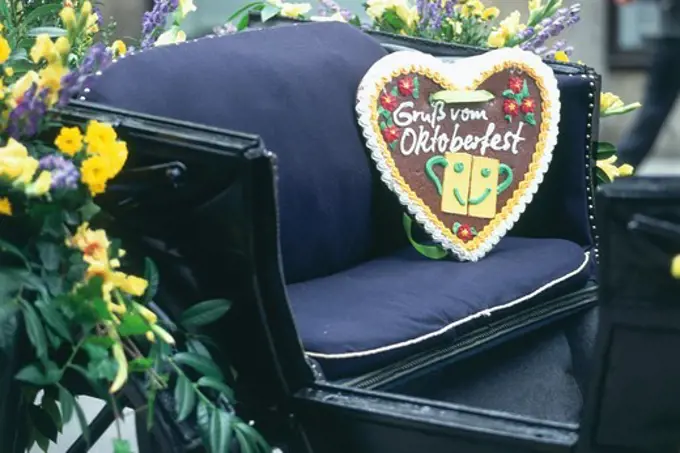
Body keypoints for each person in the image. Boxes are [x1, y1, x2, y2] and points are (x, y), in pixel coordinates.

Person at [615, 0, 680, 168]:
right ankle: (624, 162)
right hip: (673, 39)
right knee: (656, 104)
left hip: (673, 41)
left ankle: (625, 162)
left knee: (656, 105)